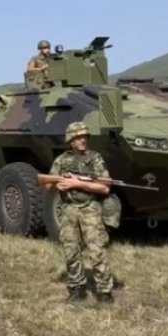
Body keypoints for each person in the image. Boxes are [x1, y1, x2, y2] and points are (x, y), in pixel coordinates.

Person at [50, 121, 115, 304]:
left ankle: (104, 291)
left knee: (96, 251)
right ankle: (77, 288)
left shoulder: (95, 158)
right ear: (71, 140)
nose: (83, 140)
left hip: (90, 209)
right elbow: (48, 184)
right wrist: (59, 184)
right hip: (68, 209)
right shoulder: (61, 160)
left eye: (85, 137)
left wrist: (78, 183)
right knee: (70, 251)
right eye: (78, 137)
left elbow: (105, 188)